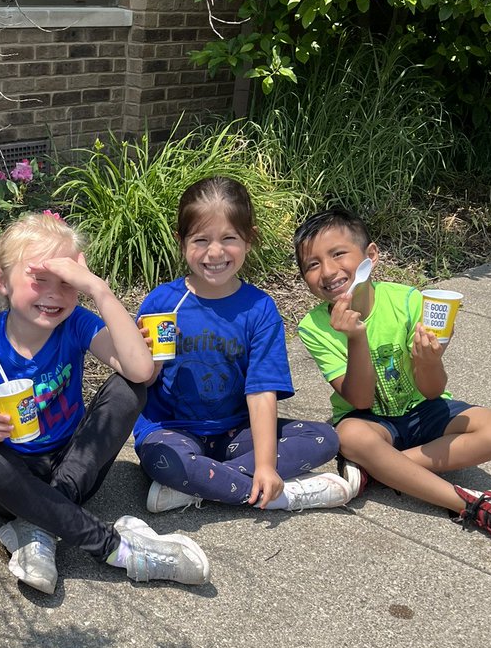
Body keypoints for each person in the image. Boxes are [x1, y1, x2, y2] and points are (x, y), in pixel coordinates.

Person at [0, 211, 210, 593]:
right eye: (40, 280)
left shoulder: (76, 323)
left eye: (68, 282)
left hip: (76, 468)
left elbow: (139, 372)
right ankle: (117, 549)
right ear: (2, 281)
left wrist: (99, 290)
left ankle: (40, 527)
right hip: (15, 482)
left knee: (128, 390)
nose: (55, 294)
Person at [295, 206, 491, 544]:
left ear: (370, 255)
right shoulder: (314, 327)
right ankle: (471, 505)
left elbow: (432, 392)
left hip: (422, 410)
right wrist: (356, 337)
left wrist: (429, 361)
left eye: (338, 254)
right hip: (369, 419)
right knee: (352, 437)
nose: (327, 271)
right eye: (312, 265)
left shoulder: (407, 301)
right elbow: (359, 399)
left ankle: (385, 469)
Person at [134, 177, 350, 515]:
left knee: (324, 438)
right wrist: (147, 361)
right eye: (200, 240)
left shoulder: (258, 308)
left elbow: (261, 390)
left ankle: (200, 487)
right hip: (172, 431)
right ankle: (281, 496)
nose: (215, 252)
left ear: (249, 239)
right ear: (182, 241)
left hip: (237, 433)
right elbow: (142, 381)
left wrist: (265, 464)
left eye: (229, 238)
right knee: (164, 460)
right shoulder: (162, 302)